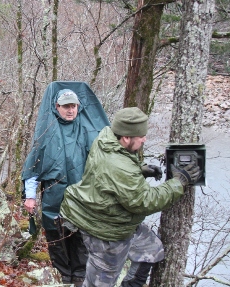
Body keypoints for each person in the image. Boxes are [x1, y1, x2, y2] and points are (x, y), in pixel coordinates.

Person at [59, 107, 202, 287]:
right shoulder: (120, 167)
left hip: (110, 216)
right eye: (140, 136)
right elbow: (144, 201)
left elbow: (111, 170)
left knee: (151, 250)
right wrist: (179, 182)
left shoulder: (106, 136)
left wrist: (140, 169)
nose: (144, 139)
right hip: (105, 231)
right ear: (126, 137)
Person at [21, 84, 110, 286]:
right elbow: (34, 166)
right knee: (56, 237)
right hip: (55, 197)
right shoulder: (47, 133)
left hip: (83, 198)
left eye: (74, 106)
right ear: (56, 107)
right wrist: (31, 196)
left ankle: (79, 276)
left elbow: (104, 164)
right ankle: (62, 276)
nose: (70, 110)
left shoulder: (89, 132)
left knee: (80, 238)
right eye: (66, 106)